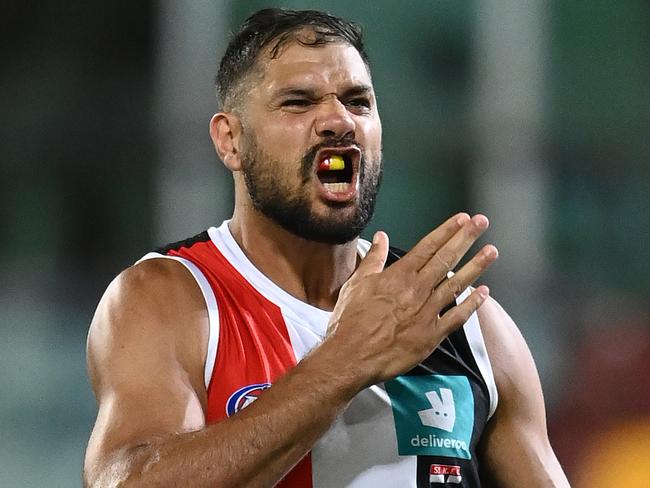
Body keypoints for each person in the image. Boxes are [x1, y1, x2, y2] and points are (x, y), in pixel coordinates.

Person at [84, 8, 570, 488]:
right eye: (298, 102)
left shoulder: (467, 326)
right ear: (230, 141)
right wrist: (345, 360)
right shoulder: (167, 299)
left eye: (358, 101)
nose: (338, 120)